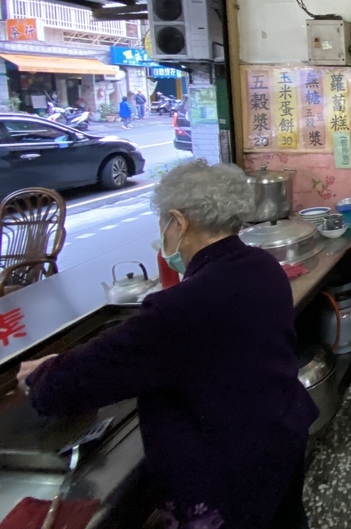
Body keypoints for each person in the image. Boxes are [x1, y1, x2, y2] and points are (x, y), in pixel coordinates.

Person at [17, 160, 318, 528]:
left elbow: (98, 368)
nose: (162, 233)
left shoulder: (182, 307)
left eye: (163, 223)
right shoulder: (262, 265)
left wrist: (41, 378)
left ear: (179, 220)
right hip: (282, 436)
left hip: (230, 472)